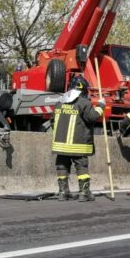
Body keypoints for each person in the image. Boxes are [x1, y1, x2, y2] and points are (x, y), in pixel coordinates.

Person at [51, 74, 105, 202]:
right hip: (78, 144)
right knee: (81, 167)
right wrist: (101, 106)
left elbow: (53, 122)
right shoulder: (84, 103)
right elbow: (92, 117)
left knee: (62, 166)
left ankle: (63, 192)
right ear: (83, 89)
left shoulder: (59, 102)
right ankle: (84, 193)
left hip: (60, 144)